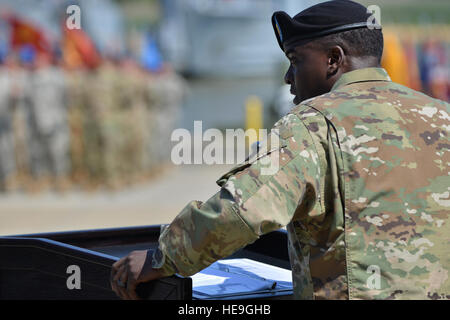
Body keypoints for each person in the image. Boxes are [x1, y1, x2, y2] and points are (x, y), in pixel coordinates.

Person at [111, 0, 449, 300]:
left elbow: (240, 212)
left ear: (334, 59)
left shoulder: (313, 124)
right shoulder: (441, 115)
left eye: (296, 60)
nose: (289, 76)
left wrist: (162, 257)